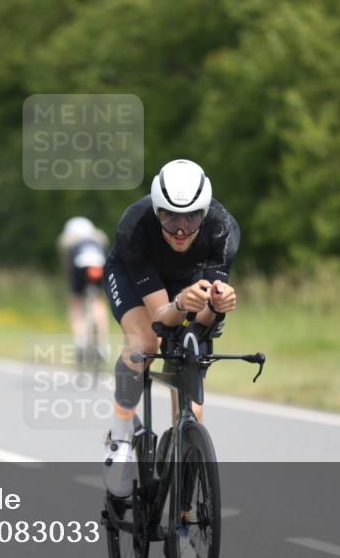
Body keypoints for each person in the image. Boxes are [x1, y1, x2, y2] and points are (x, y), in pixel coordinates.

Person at [101, 159, 240, 496]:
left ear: (205, 213)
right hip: (138, 280)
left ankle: (186, 491)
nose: (181, 229)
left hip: (188, 280)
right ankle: (119, 435)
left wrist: (216, 308)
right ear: (156, 209)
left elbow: (201, 325)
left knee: (190, 360)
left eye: (192, 217)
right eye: (170, 216)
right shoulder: (134, 226)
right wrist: (181, 304)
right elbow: (161, 319)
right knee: (144, 341)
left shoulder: (223, 229)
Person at [56, 216, 110, 363]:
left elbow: (69, 268)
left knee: (76, 303)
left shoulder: (71, 243)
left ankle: (80, 338)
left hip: (80, 268)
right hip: (98, 267)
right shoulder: (97, 240)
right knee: (99, 302)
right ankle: (102, 345)